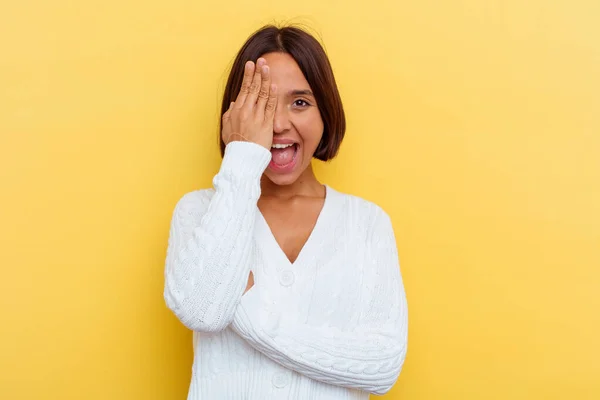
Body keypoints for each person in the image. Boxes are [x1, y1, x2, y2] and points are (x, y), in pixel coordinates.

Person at [163, 24, 408, 399]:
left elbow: (382, 366)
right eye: (260, 104)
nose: (277, 124)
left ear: (326, 111)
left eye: (300, 102)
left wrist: (246, 308)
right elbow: (203, 311)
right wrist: (243, 156)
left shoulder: (367, 224)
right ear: (235, 116)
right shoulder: (199, 212)